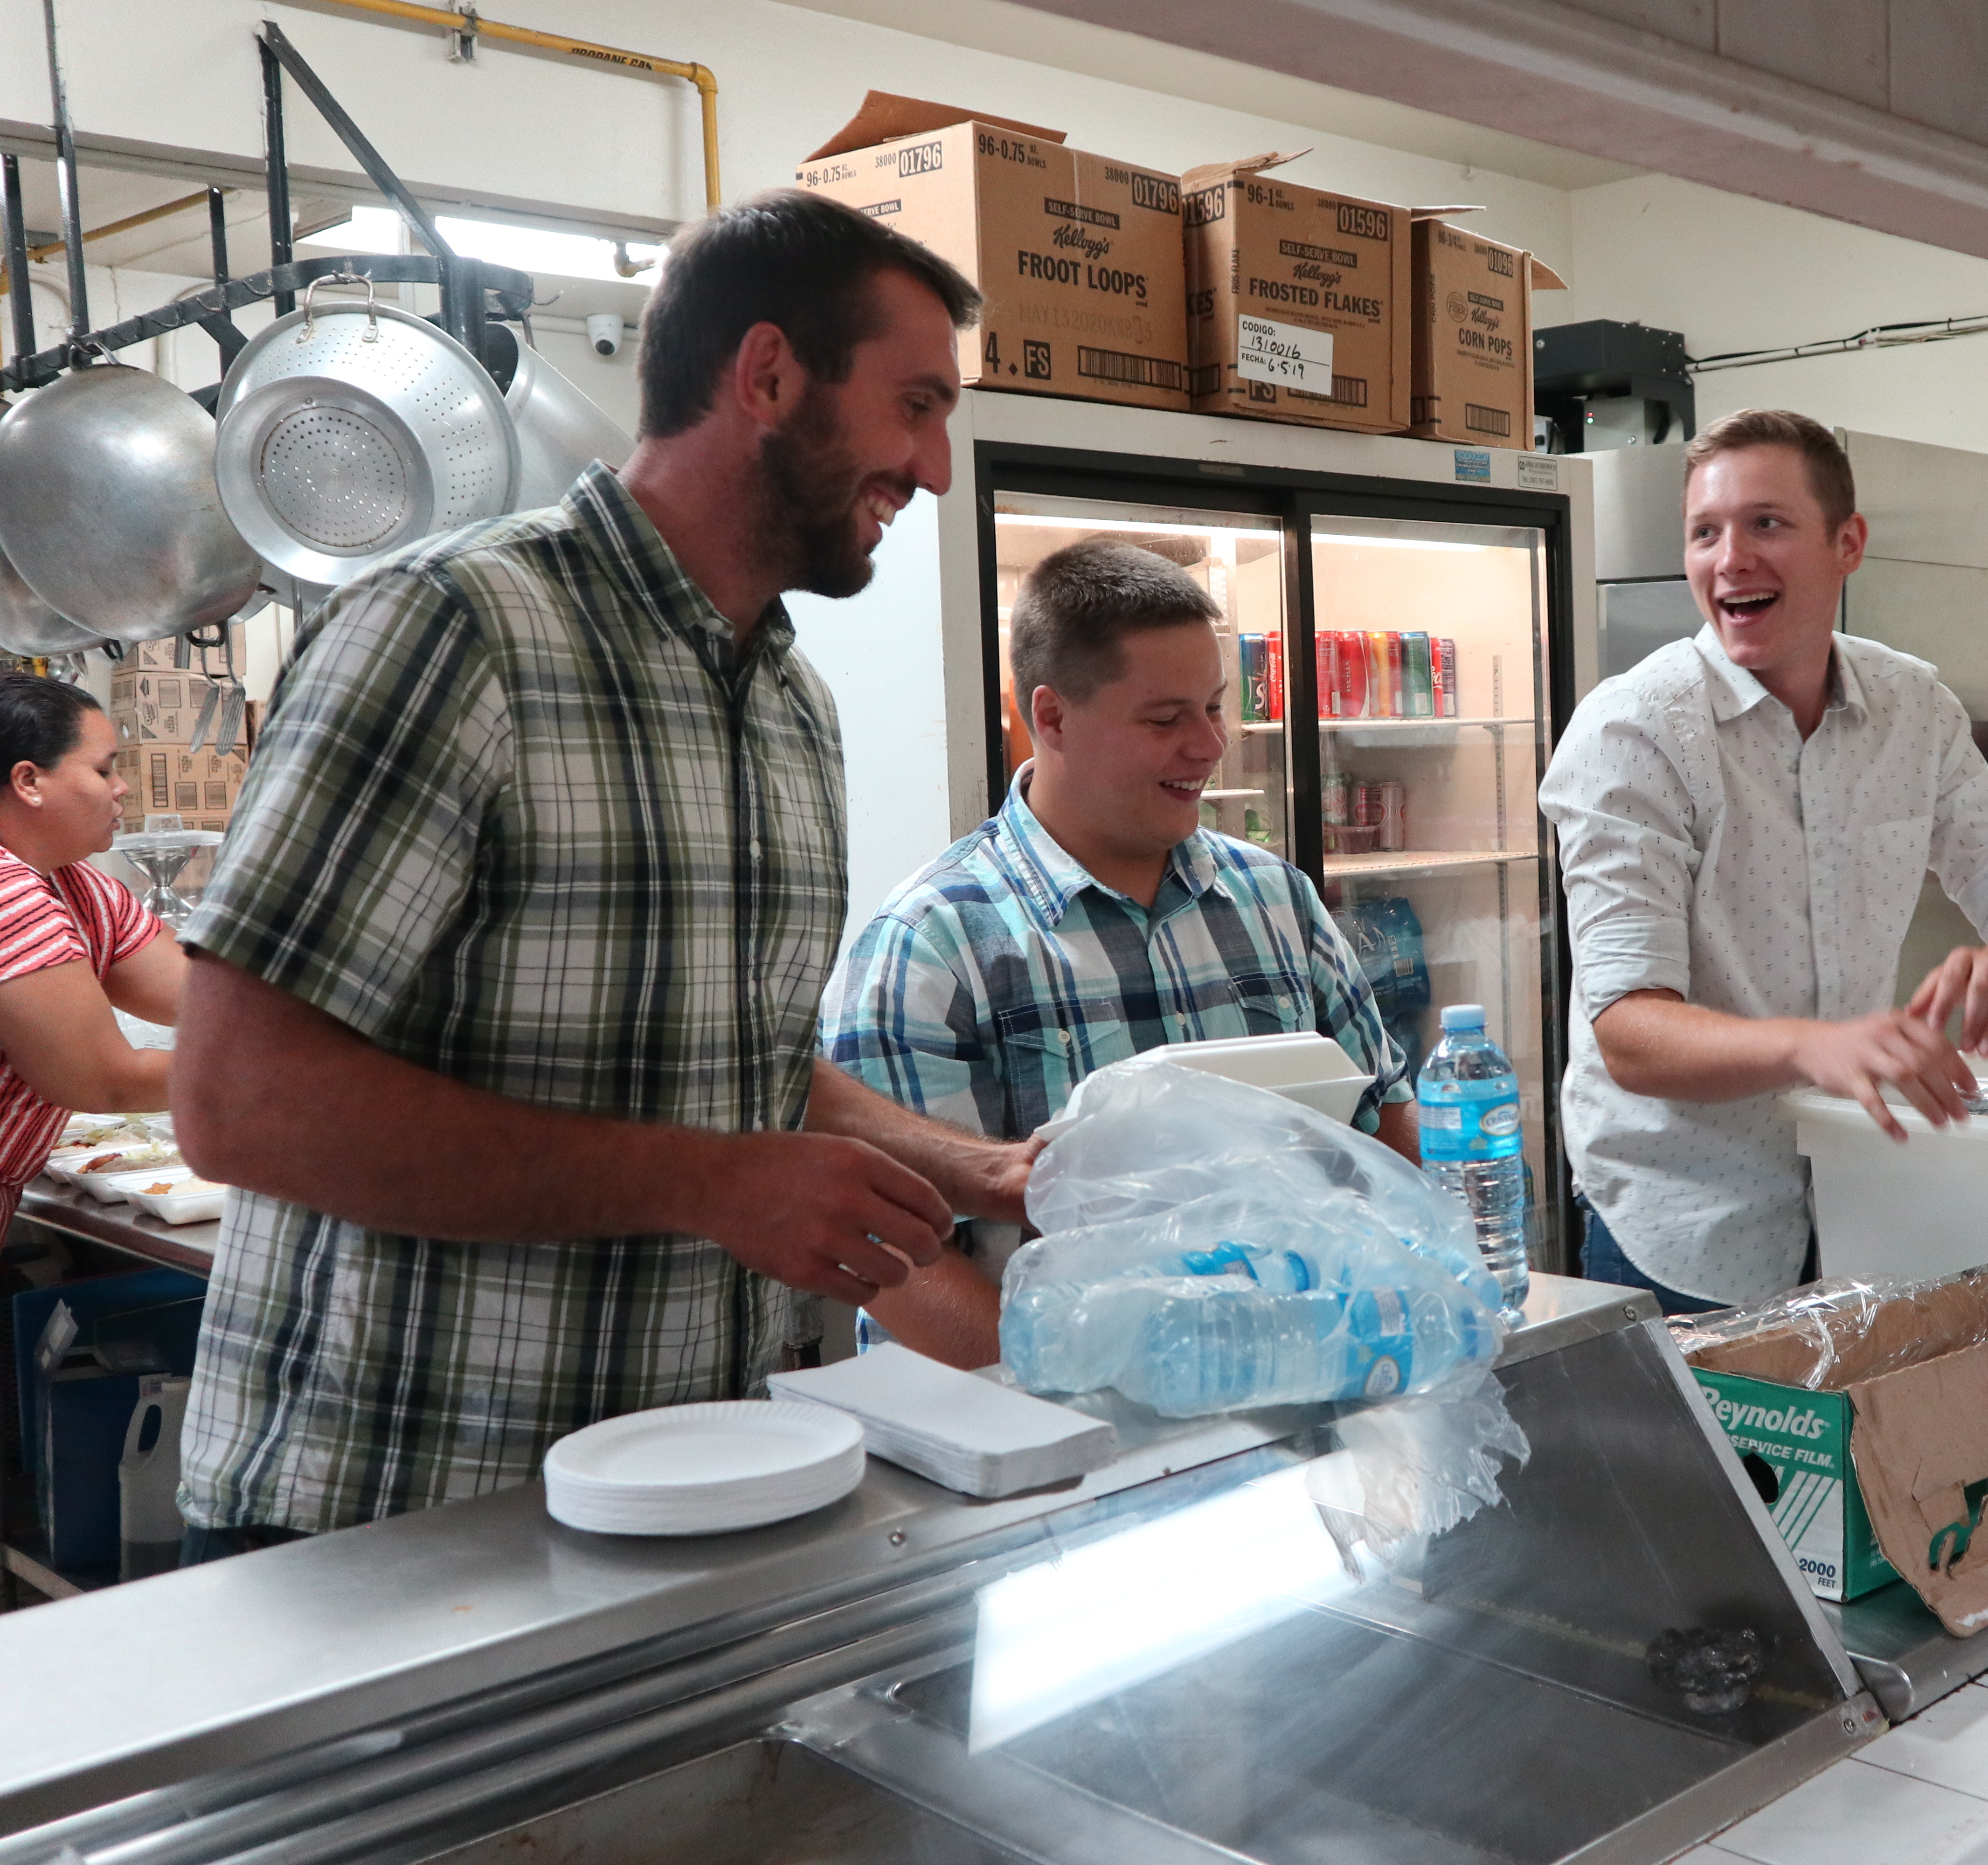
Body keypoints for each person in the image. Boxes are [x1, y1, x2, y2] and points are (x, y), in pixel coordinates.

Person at [168, 190, 1033, 1558]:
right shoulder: (453, 631)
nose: (934, 468)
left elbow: (731, 1056)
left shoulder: (790, 705)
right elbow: (239, 1104)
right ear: (765, 376)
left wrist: (984, 1170)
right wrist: (704, 1182)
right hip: (391, 1517)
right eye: (915, 404)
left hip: (690, 1489)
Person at [1538, 408, 1988, 1315]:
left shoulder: (1913, 709)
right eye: (1705, 532)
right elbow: (1630, 1030)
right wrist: (1818, 1045)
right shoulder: (1632, 731)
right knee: (1706, 1464)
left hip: (1869, 1203)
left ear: (1847, 543)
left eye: (1767, 523)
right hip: (1683, 1234)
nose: (1731, 559)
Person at [822, 539, 1417, 1357]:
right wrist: (1092, 1387)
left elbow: (1385, 1130)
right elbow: (896, 1262)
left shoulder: (1277, 902)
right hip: (1035, 1441)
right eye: (1166, 719)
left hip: (1281, 1386)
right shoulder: (933, 944)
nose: (1208, 746)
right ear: (1052, 715)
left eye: (1214, 707)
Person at [0, 676, 186, 1223]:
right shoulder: (8, 894)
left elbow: (197, 989)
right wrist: (279, 1077)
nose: (121, 787)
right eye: (103, 770)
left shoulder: (79, 887)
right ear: (29, 781)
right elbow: (103, 1077)